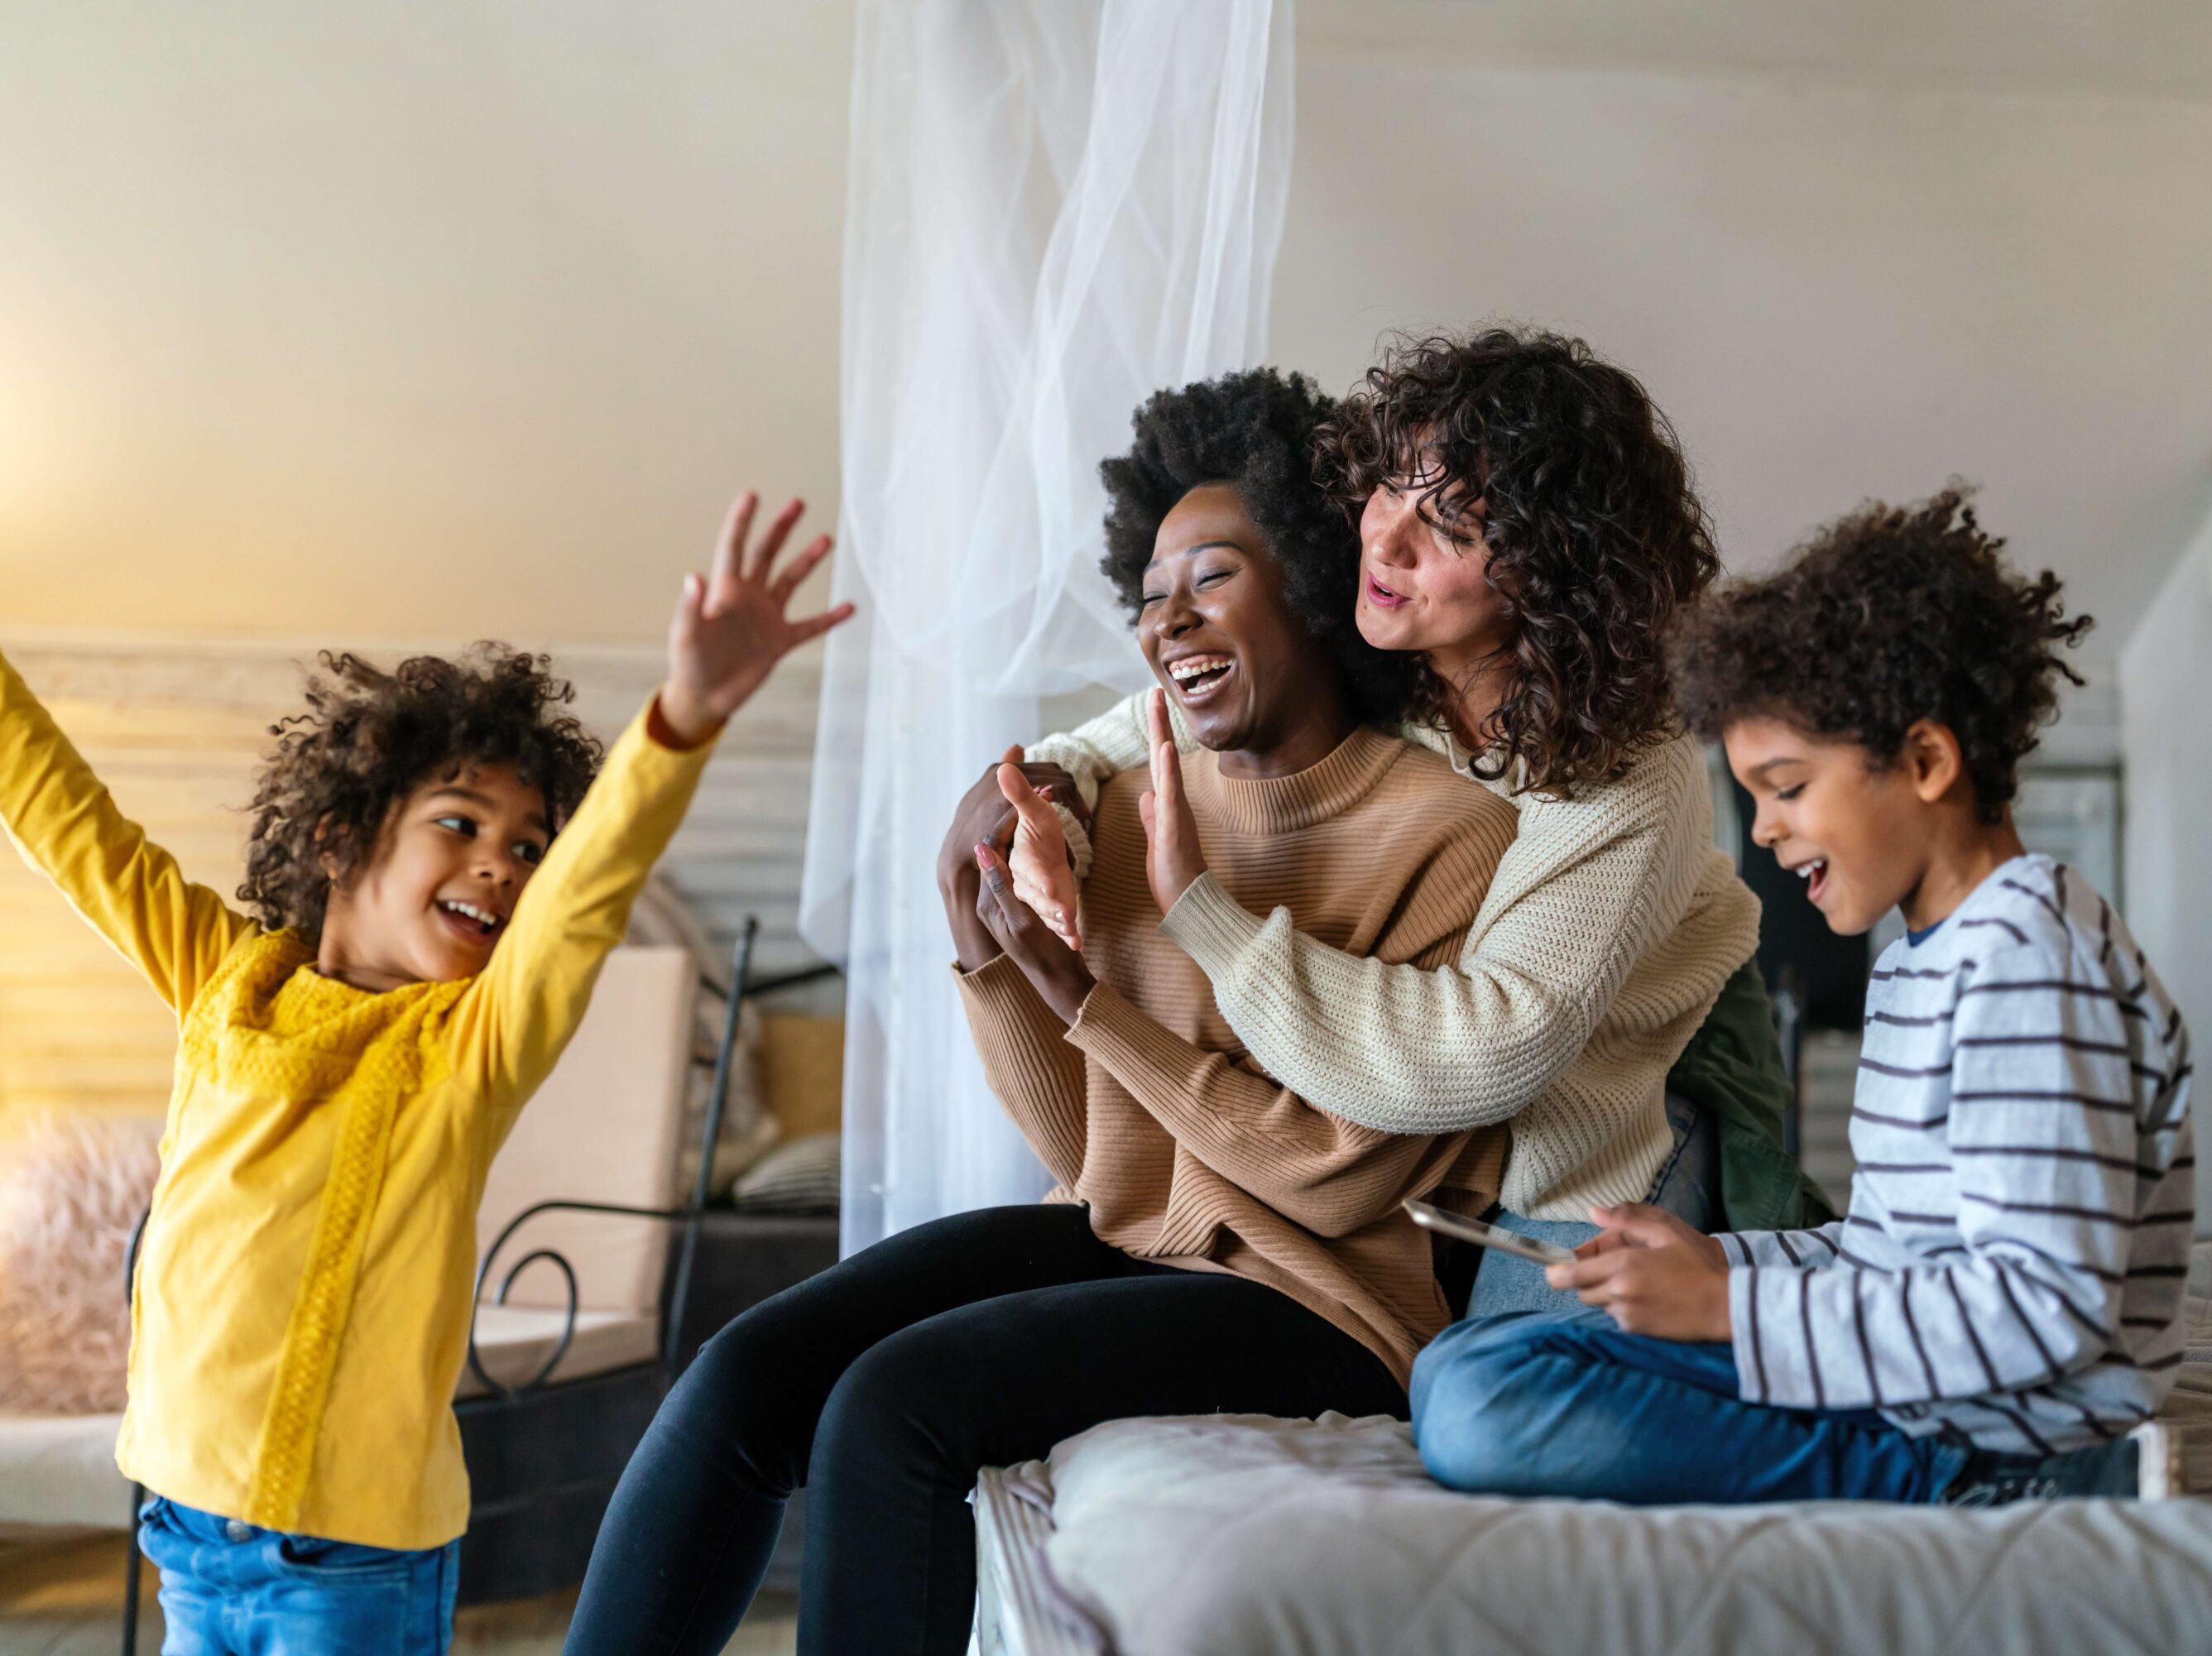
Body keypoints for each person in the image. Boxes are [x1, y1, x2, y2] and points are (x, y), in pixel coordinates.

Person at [563, 369, 1519, 1656]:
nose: (1167, 622)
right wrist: (983, 948)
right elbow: (1093, 1161)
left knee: (893, 1408)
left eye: (1212, 578)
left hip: (1329, 1302)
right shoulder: (1121, 810)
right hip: (1142, 1245)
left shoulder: (1449, 834)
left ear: (1311, 576)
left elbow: (1344, 1184)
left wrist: (1082, 1000)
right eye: (1151, 595)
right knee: (744, 1379)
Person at [0, 494, 848, 1651]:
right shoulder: (224, 981)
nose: (502, 865)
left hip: (352, 1569)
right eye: (462, 823)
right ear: (341, 838)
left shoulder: (468, 1049)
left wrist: (680, 717)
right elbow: (65, 815)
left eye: (527, 845)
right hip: (184, 1532)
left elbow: (584, 906)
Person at [991, 327, 1827, 1318]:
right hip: (1460, 1097)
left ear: (1550, 575)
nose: (1384, 542)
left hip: (1624, 1076)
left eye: (1452, 528)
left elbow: (1490, 1053)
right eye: (1391, 488)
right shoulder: (1385, 631)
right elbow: (1143, 723)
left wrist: (1201, 914)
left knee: (1496, 1408)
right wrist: (1045, 809)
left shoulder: (1628, 771)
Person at [1410, 487, 2195, 1507]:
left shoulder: (2027, 961)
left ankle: (1991, 1487)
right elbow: (1893, 1251)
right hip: (1911, 1383)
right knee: (1471, 1361)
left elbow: (2045, 1310)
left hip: (1993, 1432)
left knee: (1484, 1401)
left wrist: (1732, 1310)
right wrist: (1721, 1261)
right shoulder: (1932, 950)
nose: (1768, 833)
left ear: (1925, 761)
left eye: (1787, 787)